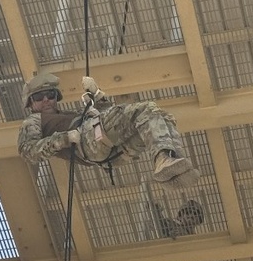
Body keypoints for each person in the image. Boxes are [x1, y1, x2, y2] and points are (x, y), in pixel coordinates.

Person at [17, 73, 198, 189]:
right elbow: (28, 152)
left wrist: (97, 96)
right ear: (30, 102)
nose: (47, 100)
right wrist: (63, 139)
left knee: (159, 118)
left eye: (51, 95)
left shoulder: (69, 115)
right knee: (146, 109)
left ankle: (169, 161)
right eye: (40, 97)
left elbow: (112, 119)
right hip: (87, 142)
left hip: (109, 152)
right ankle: (164, 159)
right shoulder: (34, 120)